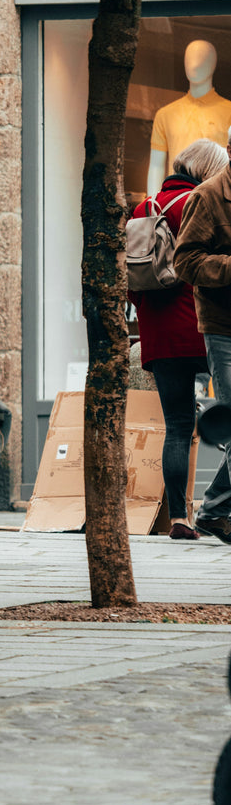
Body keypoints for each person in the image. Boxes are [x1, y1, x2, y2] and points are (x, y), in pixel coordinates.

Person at [130, 138, 229, 540]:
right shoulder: (200, 201)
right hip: (200, 326)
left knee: (176, 427)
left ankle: (179, 517)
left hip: (158, 332)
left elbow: (133, 279)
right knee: (225, 415)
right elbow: (190, 265)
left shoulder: (144, 207)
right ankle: (217, 506)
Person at [174, 126, 231, 544]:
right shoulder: (208, 195)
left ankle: (214, 511)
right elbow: (186, 261)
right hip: (225, 328)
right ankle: (214, 511)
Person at [147, 40, 231, 198]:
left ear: (214, 64)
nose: (195, 63)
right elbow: (156, 167)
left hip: (215, 199)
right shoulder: (166, 114)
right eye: (190, 58)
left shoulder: (229, 112)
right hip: (175, 199)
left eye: (202, 58)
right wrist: (153, 208)